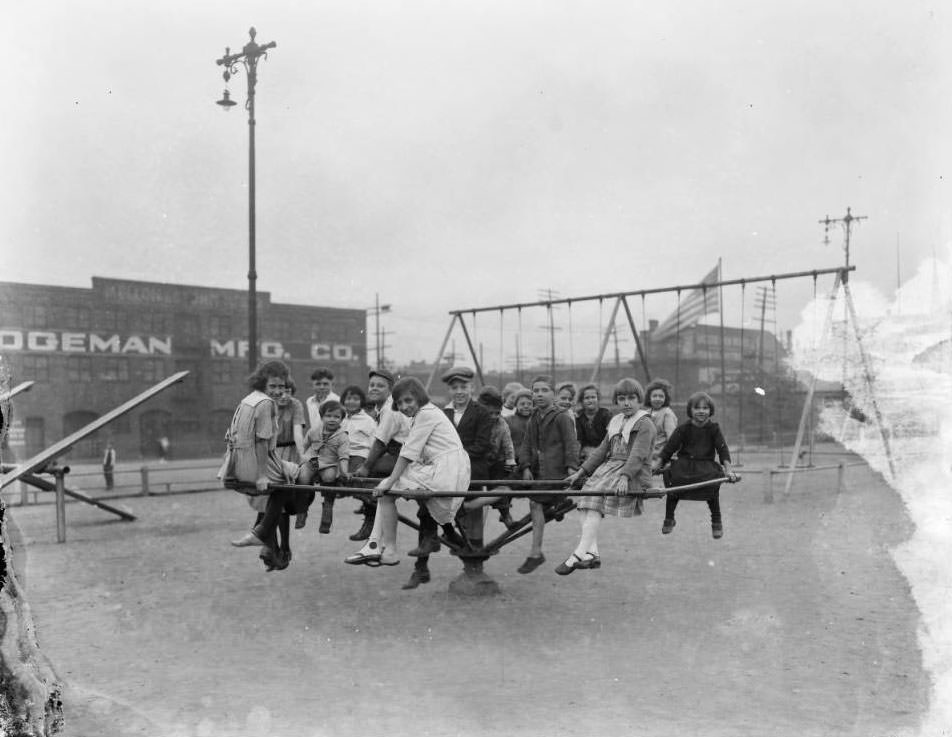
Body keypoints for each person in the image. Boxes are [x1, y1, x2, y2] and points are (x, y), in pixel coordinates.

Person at [345, 377, 470, 572]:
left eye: (408, 401)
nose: (404, 406)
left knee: (387, 491)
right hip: (445, 466)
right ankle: (378, 545)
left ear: (419, 398)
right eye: (400, 403)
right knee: (387, 488)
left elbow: (408, 453)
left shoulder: (426, 415)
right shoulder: (424, 414)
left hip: (447, 470)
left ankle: (389, 549)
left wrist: (390, 482)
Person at [559, 378, 655, 574]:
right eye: (621, 399)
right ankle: (592, 554)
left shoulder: (645, 423)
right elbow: (602, 450)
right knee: (584, 501)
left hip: (630, 470)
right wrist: (582, 471)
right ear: (616, 401)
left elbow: (638, 455)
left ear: (640, 400)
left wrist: (624, 477)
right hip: (608, 468)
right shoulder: (616, 421)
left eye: (631, 398)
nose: (626, 403)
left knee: (594, 504)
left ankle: (578, 554)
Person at [222, 361, 300, 570]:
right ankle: (263, 533)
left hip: (240, 458)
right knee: (286, 482)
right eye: (272, 386)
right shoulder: (266, 404)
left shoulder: (250, 399)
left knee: (291, 471)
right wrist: (262, 475)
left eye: (281, 387)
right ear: (263, 384)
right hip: (254, 461)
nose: (277, 391)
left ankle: (266, 537)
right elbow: (262, 442)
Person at [515, 375, 580, 573]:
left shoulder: (562, 417)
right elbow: (526, 444)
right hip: (539, 472)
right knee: (516, 490)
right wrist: (525, 466)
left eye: (544, 390)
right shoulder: (534, 417)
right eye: (536, 391)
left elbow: (571, 445)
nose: (539, 395)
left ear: (553, 394)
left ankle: (535, 553)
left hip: (556, 473)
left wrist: (571, 470)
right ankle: (535, 548)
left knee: (535, 503)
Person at [653, 391, 739, 539]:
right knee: (673, 485)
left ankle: (716, 522)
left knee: (712, 488)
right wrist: (657, 465)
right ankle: (669, 518)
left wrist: (729, 470)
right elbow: (669, 449)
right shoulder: (683, 429)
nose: (701, 411)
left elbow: (723, 450)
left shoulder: (714, 429)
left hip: (705, 465)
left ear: (710, 410)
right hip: (685, 465)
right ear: (690, 410)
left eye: (705, 408)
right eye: (697, 408)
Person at [351, 368, 410, 542]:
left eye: (380, 386)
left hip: (405, 456)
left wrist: (366, 467)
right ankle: (370, 505)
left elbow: (380, 443)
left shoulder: (391, 408)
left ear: (390, 390)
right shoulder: (383, 407)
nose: (374, 388)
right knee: (364, 470)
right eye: (372, 385)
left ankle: (370, 518)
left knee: (367, 471)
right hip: (396, 452)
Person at [464, 385, 519, 530]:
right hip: (475, 461)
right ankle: (459, 523)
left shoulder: (501, 424)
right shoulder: (472, 420)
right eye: (490, 413)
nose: (494, 417)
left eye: (497, 413)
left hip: (495, 460)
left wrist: (510, 459)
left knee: (500, 482)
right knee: (467, 490)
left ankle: (505, 513)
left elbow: (508, 443)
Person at [298, 400, 350, 533]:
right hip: (313, 460)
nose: (332, 420)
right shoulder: (314, 430)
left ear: (341, 419)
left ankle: (328, 507)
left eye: (336, 417)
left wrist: (344, 471)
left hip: (329, 462)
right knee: (303, 477)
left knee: (329, 477)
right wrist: (301, 460)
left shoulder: (342, 436)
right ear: (322, 417)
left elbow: (344, 456)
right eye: (328, 416)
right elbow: (304, 446)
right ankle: (302, 509)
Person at [575, 383, 611, 463]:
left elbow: (610, 437)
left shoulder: (605, 414)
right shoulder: (578, 417)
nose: (590, 400)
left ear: (598, 399)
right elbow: (578, 440)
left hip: (604, 452)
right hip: (585, 453)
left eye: (593, 397)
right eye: (587, 398)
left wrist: (598, 451)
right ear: (582, 401)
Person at [305, 367, 340, 434]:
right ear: (312, 385)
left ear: (332, 384)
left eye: (325, 384)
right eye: (318, 384)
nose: (322, 387)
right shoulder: (309, 401)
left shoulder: (338, 401)